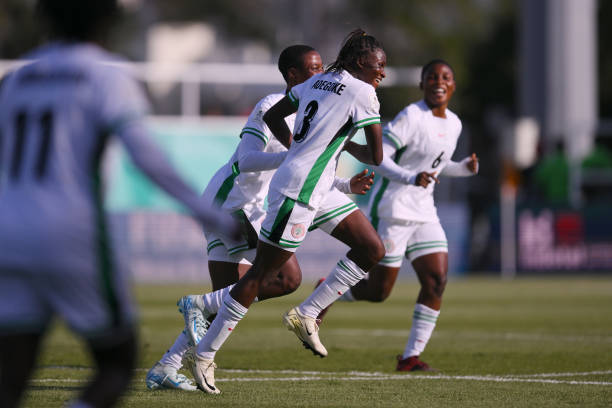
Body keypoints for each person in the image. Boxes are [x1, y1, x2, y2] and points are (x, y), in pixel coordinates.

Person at [0, 1, 240, 407]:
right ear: (107, 20)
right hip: (69, 234)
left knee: (11, 370)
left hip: (8, 232)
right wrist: (211, 214)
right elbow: (148, 158)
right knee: (116, 363)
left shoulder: (18, 78)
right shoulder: (103, 75)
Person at [145, 44, 375, 391]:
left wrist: (344, 183)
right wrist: (290, 156)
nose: (321, 74)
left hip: (262, 204)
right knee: (284, 277)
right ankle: (201, 318)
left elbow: (317, 163)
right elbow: (247, 160)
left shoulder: (323, 104)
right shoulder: (270, 107)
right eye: (312, 69)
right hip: (234, 203)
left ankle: (168, 364)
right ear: (292, 76)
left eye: (321, 66)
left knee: (233, 294)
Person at [317, 59, 479, 371]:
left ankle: (409, 358)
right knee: (377, 293)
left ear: (453, 85)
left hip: (424, 212)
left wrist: (463, 169)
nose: (438, 82)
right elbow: (380, 159)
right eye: (431, 77)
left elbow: (435, 164)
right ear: (422, 84)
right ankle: (327, 291)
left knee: (436, 280)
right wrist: (409, 177)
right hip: (391, 209)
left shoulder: (454, 123)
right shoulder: (410, 117)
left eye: (445, 77)